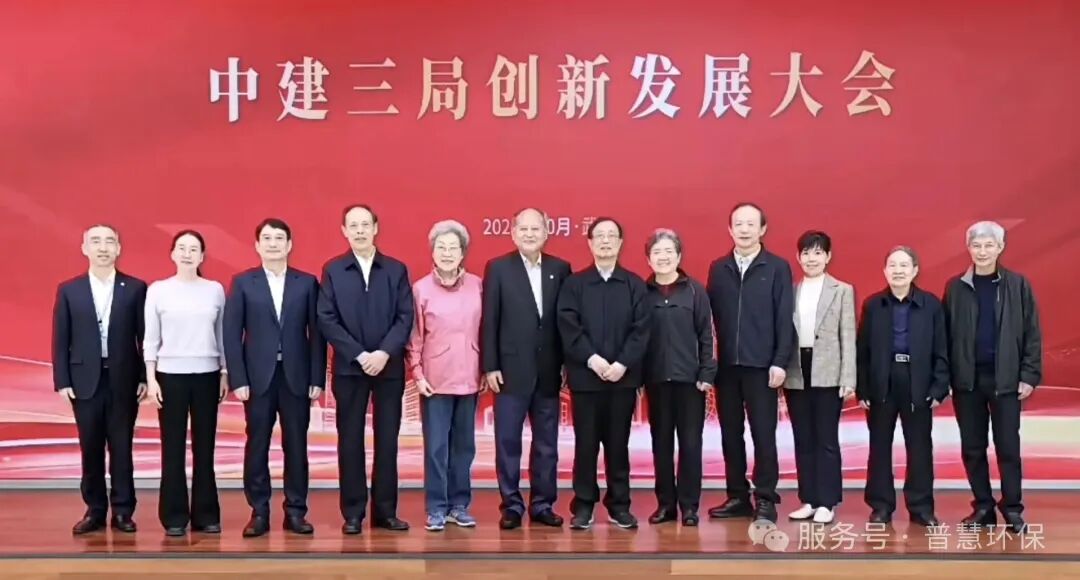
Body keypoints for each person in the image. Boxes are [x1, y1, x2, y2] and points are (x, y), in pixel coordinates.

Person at [223, 218, 327, 538]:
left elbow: (317, 334)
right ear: (257, 245)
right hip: (257, 379)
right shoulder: (243, 282)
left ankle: (295, 512)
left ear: (289, 244)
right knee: (257, 445)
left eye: (279, 238)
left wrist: (317, 378)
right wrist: (238, 378)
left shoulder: (306, 283)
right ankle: (259, 511)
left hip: (296, 377)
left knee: (296, 446)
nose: (273, 244)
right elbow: (232, 333)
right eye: (266, 238)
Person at [317, 204, 413, 534]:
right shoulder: (333, 269)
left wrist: (384, 353)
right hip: (349, 369)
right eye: (353, 226)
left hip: (389, 369)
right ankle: (353, 513)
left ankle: (385, 512)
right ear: (344, 231)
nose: (359, 231)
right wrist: (359, 355)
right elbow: (326, 318)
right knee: (350, 441)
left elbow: (405, 317)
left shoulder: (396, 269)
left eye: (365, 225)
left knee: (387, 442)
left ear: (375, 228)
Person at [943, 221, 1041, 534]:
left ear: (1000, 247)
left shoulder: (1018, 285)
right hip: (967, 382)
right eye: (976, 245)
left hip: (1006, 381)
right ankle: (983, 507)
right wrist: (947, 376)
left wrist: (1029, 374)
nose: (982, 252)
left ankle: (1012, 509)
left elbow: (1032, 333)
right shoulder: (956, 287)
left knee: (1008, 448)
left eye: (989, 245)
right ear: (968, 248)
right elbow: (945, 335)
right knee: (972, 448)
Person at [52, 224, 147, 535]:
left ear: (119, 248)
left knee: (122, 446)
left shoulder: (135, 288)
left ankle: (123, 511)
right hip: (83, 379)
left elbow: (144, 336)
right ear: (85, 248)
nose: (103, 247)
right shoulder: (70, 289)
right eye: (96, 241)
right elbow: (61, 338)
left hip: (124, 378)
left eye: (109, 242)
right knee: (90, 445)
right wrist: (62, 379)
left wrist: (145, 376)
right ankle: (94, 510)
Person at [557, 217, 650, 530]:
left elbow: (641, 330)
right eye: (600, 236)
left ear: (621, 242)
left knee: (618, 444)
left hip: (622, 380)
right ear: (590, 242)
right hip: (586, 379)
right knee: (585, 445)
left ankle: (619, 505)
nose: (606, 241)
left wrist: (622, 363)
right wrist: (592, 359)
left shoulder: (634, 284)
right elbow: (568, 326)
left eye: (612, 236)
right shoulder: (575, 284)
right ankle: (583, 505)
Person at [481, 208, 571, 530]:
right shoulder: (498, 268)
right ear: (513, 233)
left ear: (546, 233)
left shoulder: (560, 268)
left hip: (548, 371)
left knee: (547, 445)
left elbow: (566, 321)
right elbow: (490, 319)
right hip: (509, 371)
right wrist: (490, 365)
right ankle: (511, 506)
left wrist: (566, 363)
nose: (530, 234)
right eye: (524, 229)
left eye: (536, 229)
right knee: (508, 443)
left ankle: (543, 505)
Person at [705, 202, 794, 523]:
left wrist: (780, 361)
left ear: (762, 229)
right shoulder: (719, 268)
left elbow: (785, 317)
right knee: (730, 434)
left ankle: (766, 497)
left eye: (750, 224)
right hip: (727, 367)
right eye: (738, 224)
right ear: (730, 229)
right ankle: (737, 496)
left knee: (763, 434)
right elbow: (708, 319)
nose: (744, 229)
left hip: (762, 367)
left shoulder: (777, 267)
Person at [143, 230, 229, 537]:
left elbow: (222, 335)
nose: (187, 253)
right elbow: (151, 339)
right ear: (172, 254)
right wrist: (151, 378)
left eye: (194, 249)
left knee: (205, 448)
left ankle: (206, 515)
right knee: (173, 447)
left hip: (207, 375)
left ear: (202, 256)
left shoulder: (215, 290)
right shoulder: (158, 290)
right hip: (170, 376)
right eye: (182, 248)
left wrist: (224, 372)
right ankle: (174, 516)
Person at [856, 246, 948, 527]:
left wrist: (939, 387)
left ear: (915, 270)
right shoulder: (873, 305)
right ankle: (881, 506)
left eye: (904, 265)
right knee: (879, 447)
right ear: (885, 271)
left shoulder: (931, 305)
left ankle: (921, 507)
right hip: (882, 381)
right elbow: (863, 350)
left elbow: (942, 349)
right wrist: (862, 389)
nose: (898, 271)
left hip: (918, 380)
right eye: (893, 265)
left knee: (919, 447)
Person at [407, 220, 483, 532]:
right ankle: (436, 507)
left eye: (454, 247)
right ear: (432, 252)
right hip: (434, 381)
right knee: (437, 447)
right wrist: (417, 373)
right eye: (442, 247)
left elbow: (487, 329)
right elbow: (415, 336)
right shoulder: (420, 289)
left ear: (463, 253)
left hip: (470, 376)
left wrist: (486, 367)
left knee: (464, 447)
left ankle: (459, 505)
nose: (447, 253)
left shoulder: (478, 286)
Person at [641, 229, 715, 527]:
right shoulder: (641, 292)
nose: (663, 257)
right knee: (661, 444)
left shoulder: (695, 291)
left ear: (679, 256)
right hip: (655, 380)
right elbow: (635, 337)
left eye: (669, 251)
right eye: (657, 252)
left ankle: (689, 506)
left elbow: (706, 334)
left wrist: (707, 372)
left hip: (690, 382)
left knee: (690, 444)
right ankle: (666, 505)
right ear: (648, 259)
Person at [782, 231, 856, 525]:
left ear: (828, 256)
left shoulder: (842, 290)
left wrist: (848, 376)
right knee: (803, 438)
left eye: (817, 253)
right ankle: (809, 499)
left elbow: (848, 335)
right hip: (796, 370)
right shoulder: (790, 291)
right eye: (806, 253)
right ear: (798, 257)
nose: (811, 259)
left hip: (828, 370)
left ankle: (827, 501)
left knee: (826, 438)